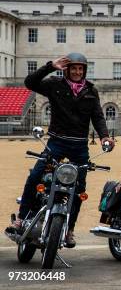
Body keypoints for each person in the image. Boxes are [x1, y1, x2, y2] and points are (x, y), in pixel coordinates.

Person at [7, 53, 113, 247]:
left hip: (80, 146)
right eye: (73, 68)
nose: (77, 72)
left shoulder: (91, 90)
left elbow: (97, 116)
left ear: (85, 71)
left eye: (80, 69)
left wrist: (104, 135)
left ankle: (69, 229)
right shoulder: (55, 84)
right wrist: (50, 66)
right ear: (67, 69)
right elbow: (30, 82)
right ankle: (22, 218)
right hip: (56, 142)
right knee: (35, 176)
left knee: (79, 189)